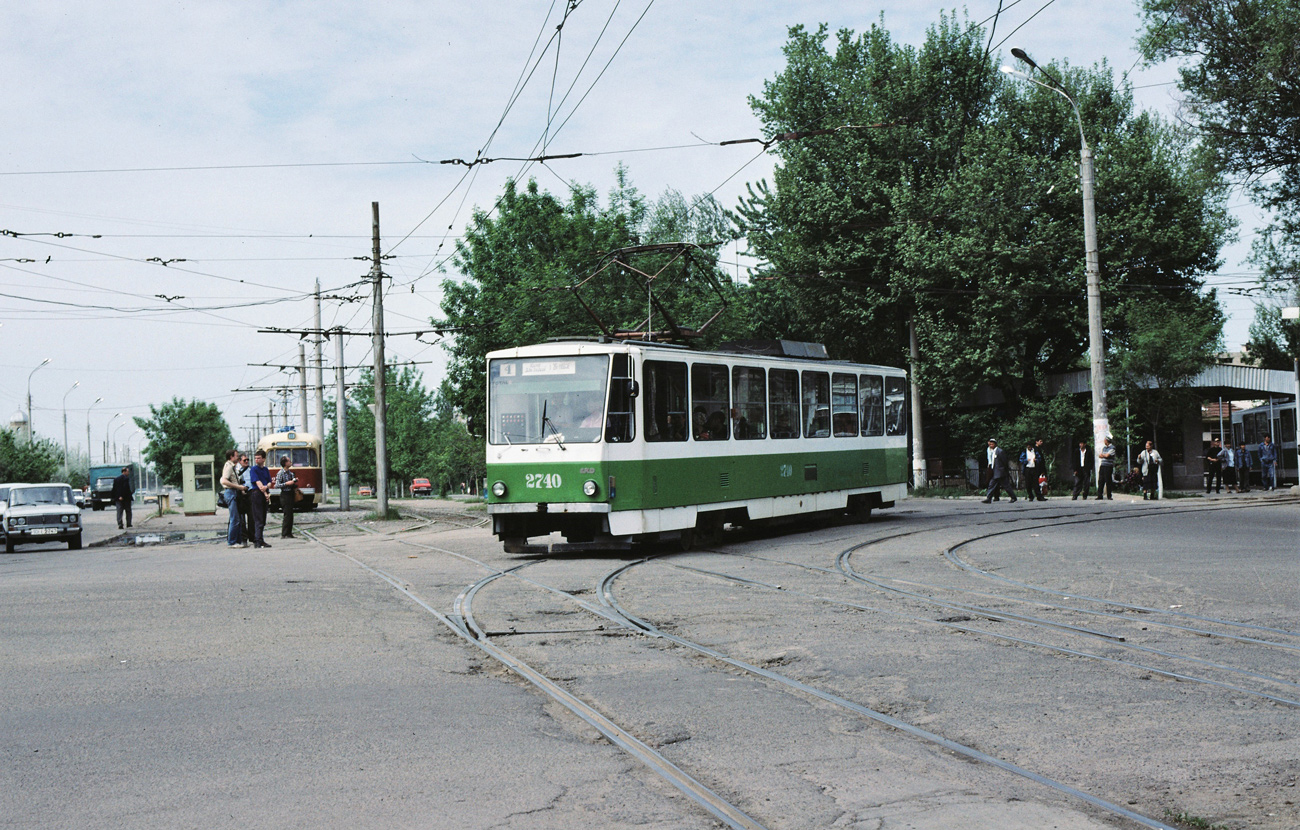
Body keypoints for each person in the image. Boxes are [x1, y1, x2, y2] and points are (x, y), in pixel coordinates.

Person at [219, 449, 248, 548]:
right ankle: (232, 542)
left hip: (235, 492)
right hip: (230, 492)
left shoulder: (233, 466)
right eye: (236, 456)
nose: (238, 457)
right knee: (234, 518)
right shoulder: (229, 466)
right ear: (231, 457)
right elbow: (224, 481)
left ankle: (238, 541)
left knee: (238, 518)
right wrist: (239, 487)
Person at [248, 450, 273, 548]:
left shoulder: (265, 469)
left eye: (258, 458)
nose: (256, 460)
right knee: (258, 518)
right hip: (257, 494)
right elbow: (258, 483)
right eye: (255, 458)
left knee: (263, 517)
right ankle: (257, 540)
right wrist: (265, 492)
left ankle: (260, 539)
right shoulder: (254, 469)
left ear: (263, 459)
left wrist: (266, 488)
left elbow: (269, 482)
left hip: (264, 493)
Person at [981, 438, 1017, 504]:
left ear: (995, 444)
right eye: (990, 444)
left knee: (1004, 485)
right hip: (995, 471)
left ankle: (1013, 497)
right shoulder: (992, 451)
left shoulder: (1000, 451)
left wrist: (1004, 470)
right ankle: (989, 498)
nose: (991, 445)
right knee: (992, 484)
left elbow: (1004, 461)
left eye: (992, 444)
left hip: (1000, 472)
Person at [274, 455, 299, 538]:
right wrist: (286, 484)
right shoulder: (280, 473)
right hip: (285, 494)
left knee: (290, 514)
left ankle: (289, 533)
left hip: (290, 494)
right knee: (287, 514)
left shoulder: (290, 473)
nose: (290, 462)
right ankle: (284, 533)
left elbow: (292, 483)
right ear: (285, 463)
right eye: (289, 461)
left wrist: (294, 482)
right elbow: (277, 485)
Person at [236, 453, 252, 542]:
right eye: (244, 460)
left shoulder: (250, 469)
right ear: (240, 461)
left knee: (251, 516)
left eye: (247, 460)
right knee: (241, 517)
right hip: (240, 495)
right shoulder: (237, 470)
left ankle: (252, 536)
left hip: (250, 493)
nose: (246, 462)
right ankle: (243, 536)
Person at [1095, 435, 1117, 500]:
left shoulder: (1112, 448)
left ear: (1107, 441)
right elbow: (1100, 455)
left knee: (1108, 481)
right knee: (1101, 481)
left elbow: (1107, 455)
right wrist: (1104, 455)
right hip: (1103, 465)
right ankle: (1099, 495)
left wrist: (1104, 455)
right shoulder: (1104, 448)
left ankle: (1109, 495)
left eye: (1105, 440)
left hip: (1108, 466)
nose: (1104, 441)